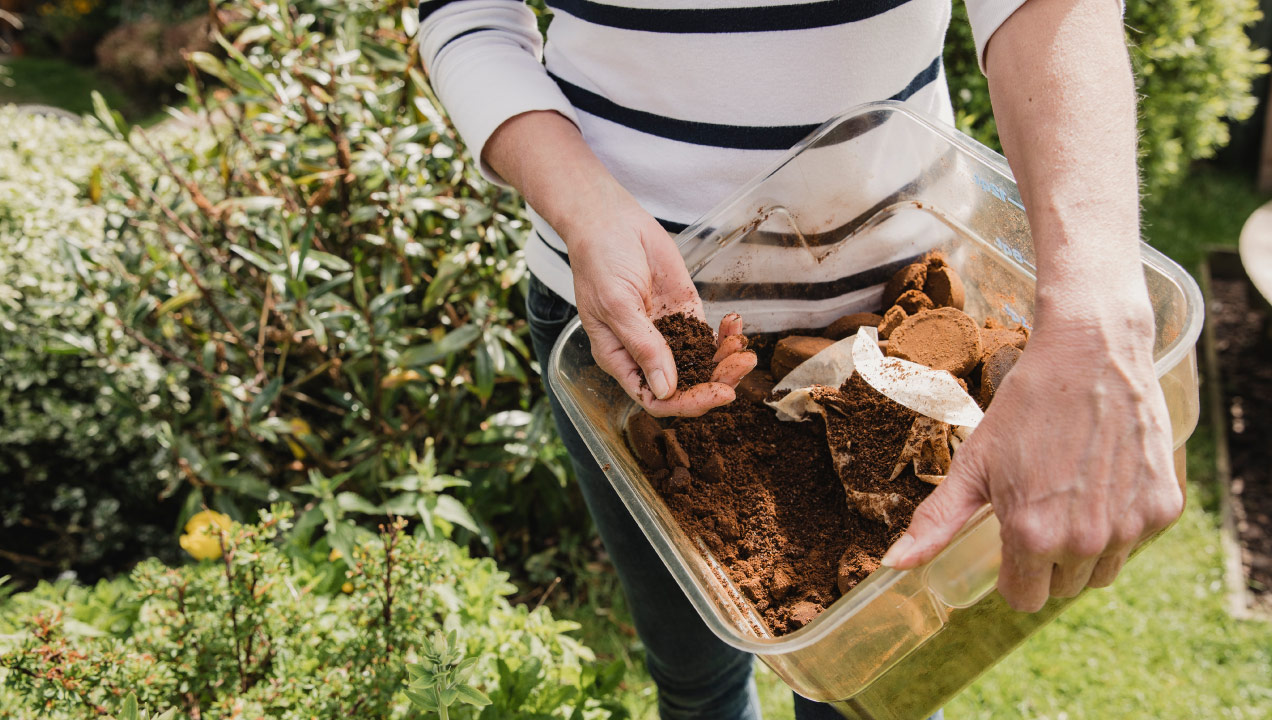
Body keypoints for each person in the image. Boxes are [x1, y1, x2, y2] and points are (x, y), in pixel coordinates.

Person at [419, 0, 1185, 716]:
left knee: (871, 695)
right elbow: (465, 13)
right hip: (633, 337)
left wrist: (1095, 322)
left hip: (903, 326)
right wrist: (585, 208)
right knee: (695, 679)